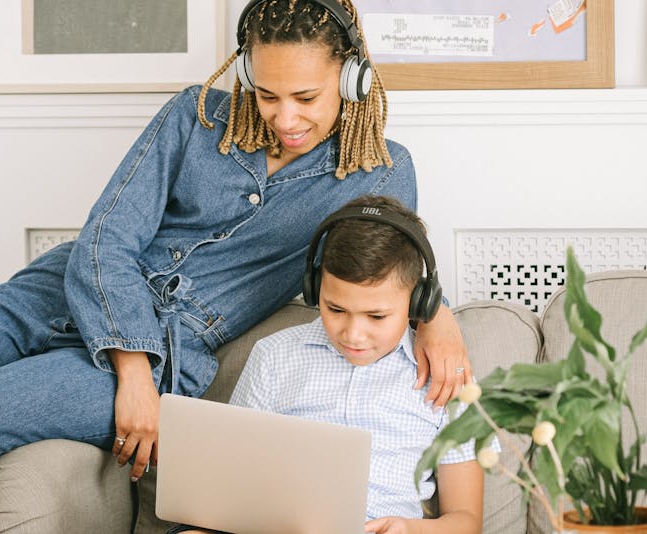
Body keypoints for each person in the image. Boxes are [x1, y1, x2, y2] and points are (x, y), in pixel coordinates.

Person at [0, 1, 470, 532]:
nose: (286, 118)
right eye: (266, 94)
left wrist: (436, 315)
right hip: (52, 296)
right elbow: (106, 237)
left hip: (170, 348)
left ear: (352, 77)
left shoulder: (379, 170)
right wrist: (133, 373)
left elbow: (390, 267)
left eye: (307, 96)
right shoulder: (192, 116)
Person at [170, 195, 485, 534]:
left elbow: (466, 521)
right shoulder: (274, 356)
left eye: (376, 316)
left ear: (419, 301)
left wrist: (410, 529)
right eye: (335, 310)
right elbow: (231, 479)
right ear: (314, 288)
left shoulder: (449, 380)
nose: (353, 334)